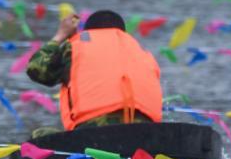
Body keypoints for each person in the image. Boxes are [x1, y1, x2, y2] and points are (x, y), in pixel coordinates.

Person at [26, 9, 162, 135]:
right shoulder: (144, 54)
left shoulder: (76, 46)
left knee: (39, 135)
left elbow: (36, 69)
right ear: (123, 33)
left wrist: (61, 35)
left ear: (88, 31)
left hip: (93, 132)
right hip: (146, 132)